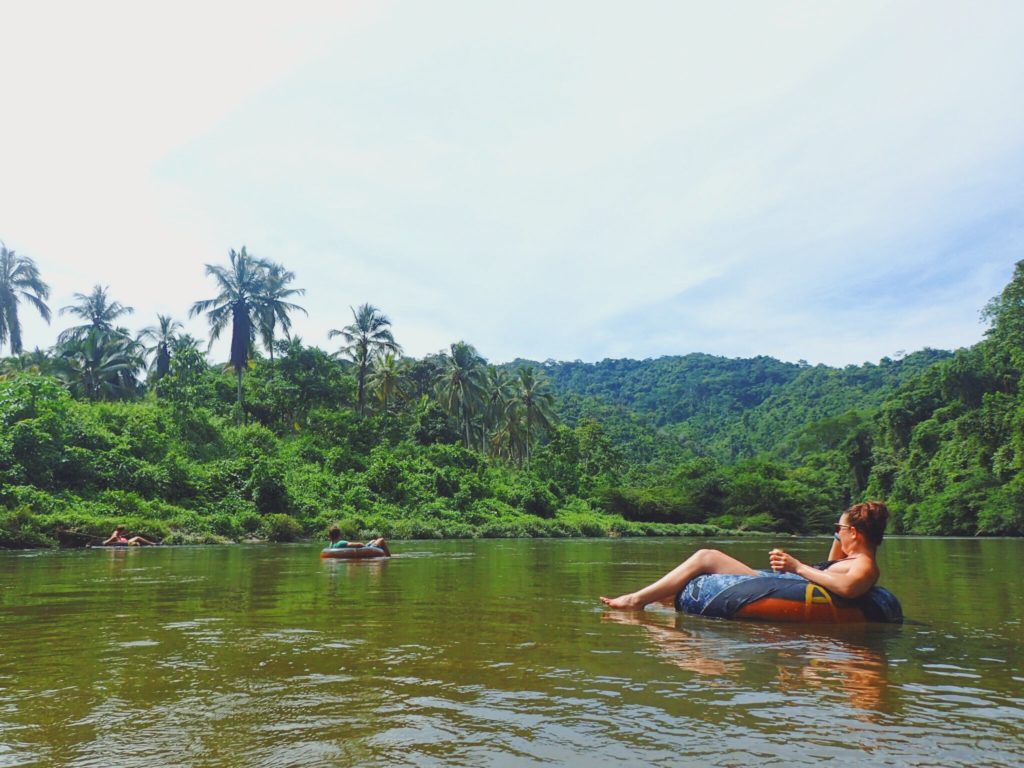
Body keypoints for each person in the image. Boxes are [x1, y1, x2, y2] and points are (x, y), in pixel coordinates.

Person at [600, 501, 889, 609]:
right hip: (783, 582)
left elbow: (848, 589)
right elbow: (835, 561)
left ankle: (634, 601)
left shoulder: (864, 566)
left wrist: (797, 566)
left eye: (840, 528)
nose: (836, 532)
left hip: (788, 586)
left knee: (706, 556)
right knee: (671, 594)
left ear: (857, 534)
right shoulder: (849, 558)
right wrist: (841, 531)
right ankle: (649, 605)